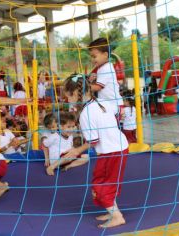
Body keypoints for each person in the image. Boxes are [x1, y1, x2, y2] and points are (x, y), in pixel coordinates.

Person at [62, 74, 129, 228]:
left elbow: (93, 141)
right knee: (109, 181)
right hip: (120, 146)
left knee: (101, 184)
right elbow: (118, 114)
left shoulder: (86, 113)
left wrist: (76, 150)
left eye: (67, 96)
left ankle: (117, 216)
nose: (67, 100)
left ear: (74, 94)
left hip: (110, 152)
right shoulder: (101, 102)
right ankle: (112, 209)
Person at [88, 38, 124, 118]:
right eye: (91, 57)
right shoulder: (102, 68)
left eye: (94, 56)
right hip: (109, 104)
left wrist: (83, 87)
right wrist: (91, 81)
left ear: (105, 55)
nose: (92, 59)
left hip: (113, 106)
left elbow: (98, 87)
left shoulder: (106, 68)